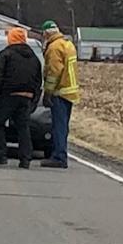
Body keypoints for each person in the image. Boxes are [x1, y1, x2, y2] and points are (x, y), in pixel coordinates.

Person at [0, 27, 42, 168]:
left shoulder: (6, 54)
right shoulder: (33, 57)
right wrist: (34, 97)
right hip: (27, 96)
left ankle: (0, 156)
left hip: (8, 95)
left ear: (11, 39)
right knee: (23, 128)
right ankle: (25, 159)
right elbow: (38, 79)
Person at [40, 20, 81, 169]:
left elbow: (54, 72)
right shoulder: (68, 45)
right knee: (63, 125)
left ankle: (59, 156)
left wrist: (48, 92)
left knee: (58, 126)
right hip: (70, 92)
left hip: (60, 91)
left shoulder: (54, 48)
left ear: (46, 33)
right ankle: (59, 153)